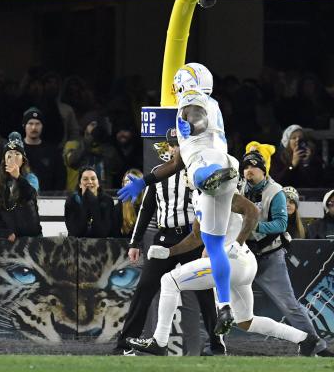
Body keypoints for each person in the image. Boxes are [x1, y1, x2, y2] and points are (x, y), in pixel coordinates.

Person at [126, 193, 322, 357]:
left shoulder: (220, 190)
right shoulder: (198, 195)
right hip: (243, 262)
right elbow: (196, 236)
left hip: (231, 259)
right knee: (246, 321)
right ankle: (305, 339)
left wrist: (237, 242)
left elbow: (253, 211)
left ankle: (159, 341)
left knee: (169, 280)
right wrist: (170, 252)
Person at [119, 63, 237, 334]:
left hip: (208, 166)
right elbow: (171, 166)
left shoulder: (191, 100)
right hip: (225, 171)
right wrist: (145, 181)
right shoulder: (214, 102)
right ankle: (226, 306)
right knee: (214, 246)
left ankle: (209, 176)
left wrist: (191, 126)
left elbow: (197, 118)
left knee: (194, 172)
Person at [113, 130, 220, 356]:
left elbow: (213, 206)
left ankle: (217, 346)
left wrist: (210, 243)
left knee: (205, 292)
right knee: (144, 289)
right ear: (168, 148)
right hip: (165, 237)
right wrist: (135, 242)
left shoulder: (199, 170)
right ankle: (123, 346)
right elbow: (146, 209)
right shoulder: (157, 173)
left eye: (179, 144)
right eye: (172, 145)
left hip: (193, 238)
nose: (176, 149)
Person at [240, 144, 329, 355]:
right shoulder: (238, 188)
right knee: (220, 299)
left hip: (269, 255)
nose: (248, 171)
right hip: (243, 255)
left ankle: (315, 344)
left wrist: (254, 225)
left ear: (264, 170)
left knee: (289, 305)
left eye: (253, 166)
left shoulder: (275, 191)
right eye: (245, 167)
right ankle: (213, 346)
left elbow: (280, 225)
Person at [0, 137, 41, 241]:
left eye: (17, 154)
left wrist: (18, 177)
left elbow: (30, 195)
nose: (13, 157)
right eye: (9, 154)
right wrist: (5, 232)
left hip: (32, 238)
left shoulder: (31, 178)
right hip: (7, 238)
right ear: (4, 160)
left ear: (23, 159)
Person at [64, 166, 116, 238]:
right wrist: (85, 203)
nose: (90, 182)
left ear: (98, 183)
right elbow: (75, 232)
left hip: (101, 246)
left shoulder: (107, 201)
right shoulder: (72, 201)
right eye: (85, 179)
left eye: (93, 179)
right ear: (79, 184)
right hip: (77, 246)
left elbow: (103, 232)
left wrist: (94, 203)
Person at [20, 107, 64, 191]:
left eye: (37, 124)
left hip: (48, 200)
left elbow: (60, 178)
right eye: (30, 123)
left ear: (42, 126)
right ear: (24, 125)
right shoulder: (15, 150)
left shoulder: (52, 152)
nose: (34, 127)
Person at [115, 168, 143, 240]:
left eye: (132, 181)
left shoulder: (148, 204)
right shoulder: (118, 207)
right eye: (126, 181)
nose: (129, 184)